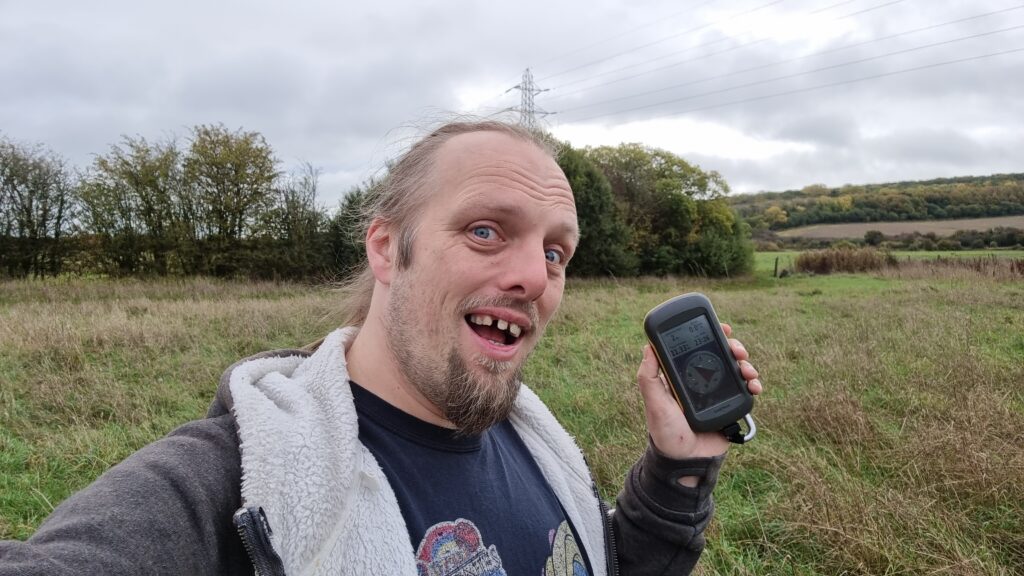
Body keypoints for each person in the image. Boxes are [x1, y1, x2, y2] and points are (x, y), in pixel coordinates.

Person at [0, 120, 762, 575]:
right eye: (485, 230)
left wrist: (680, 463)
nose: (536, 275)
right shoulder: (230, 483)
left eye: (557, 252)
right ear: (386, 248)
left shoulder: (539, 447)